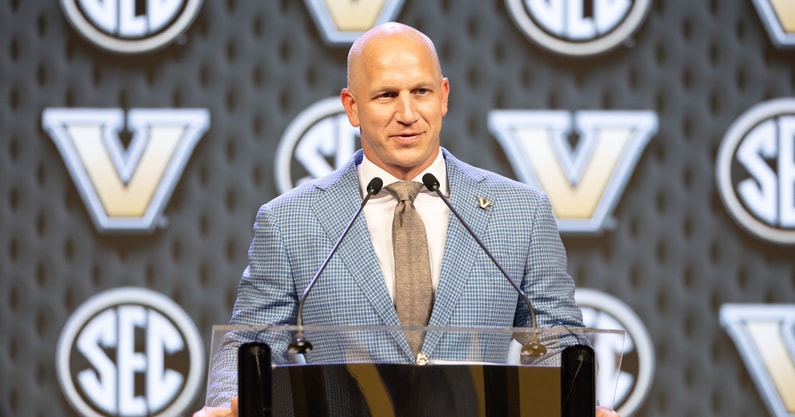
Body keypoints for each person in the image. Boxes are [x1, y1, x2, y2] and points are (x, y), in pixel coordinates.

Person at [195, 22, 620, 417]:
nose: (408, 113)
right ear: (352, 106)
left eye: (421, 92)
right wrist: (230, 404)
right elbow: (249, 341)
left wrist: (577, 400)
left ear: (445, 95)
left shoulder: (520, 211)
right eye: (386, 95)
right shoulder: (290, 220)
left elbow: (555, 337)